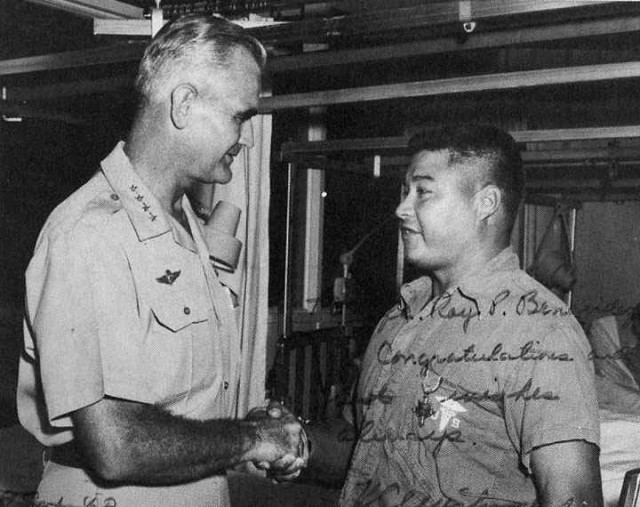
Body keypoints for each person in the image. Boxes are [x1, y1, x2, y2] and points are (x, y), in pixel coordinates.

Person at [17, 14, 306, 507]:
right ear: (184, 104)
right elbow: (116, 445)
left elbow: (178, 404)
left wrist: (251, 429)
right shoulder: (91, 232)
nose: (249, 139)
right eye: (241, 117)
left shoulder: (184, 227)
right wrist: (252, 439)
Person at [335, 124, 602, 506]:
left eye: (422, 192)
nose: (401, 208)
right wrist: (293, 444)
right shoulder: (397, 320)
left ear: (486, 203)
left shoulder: (541, 334)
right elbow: (361, 451)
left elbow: (573, 497)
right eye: (404, 192)